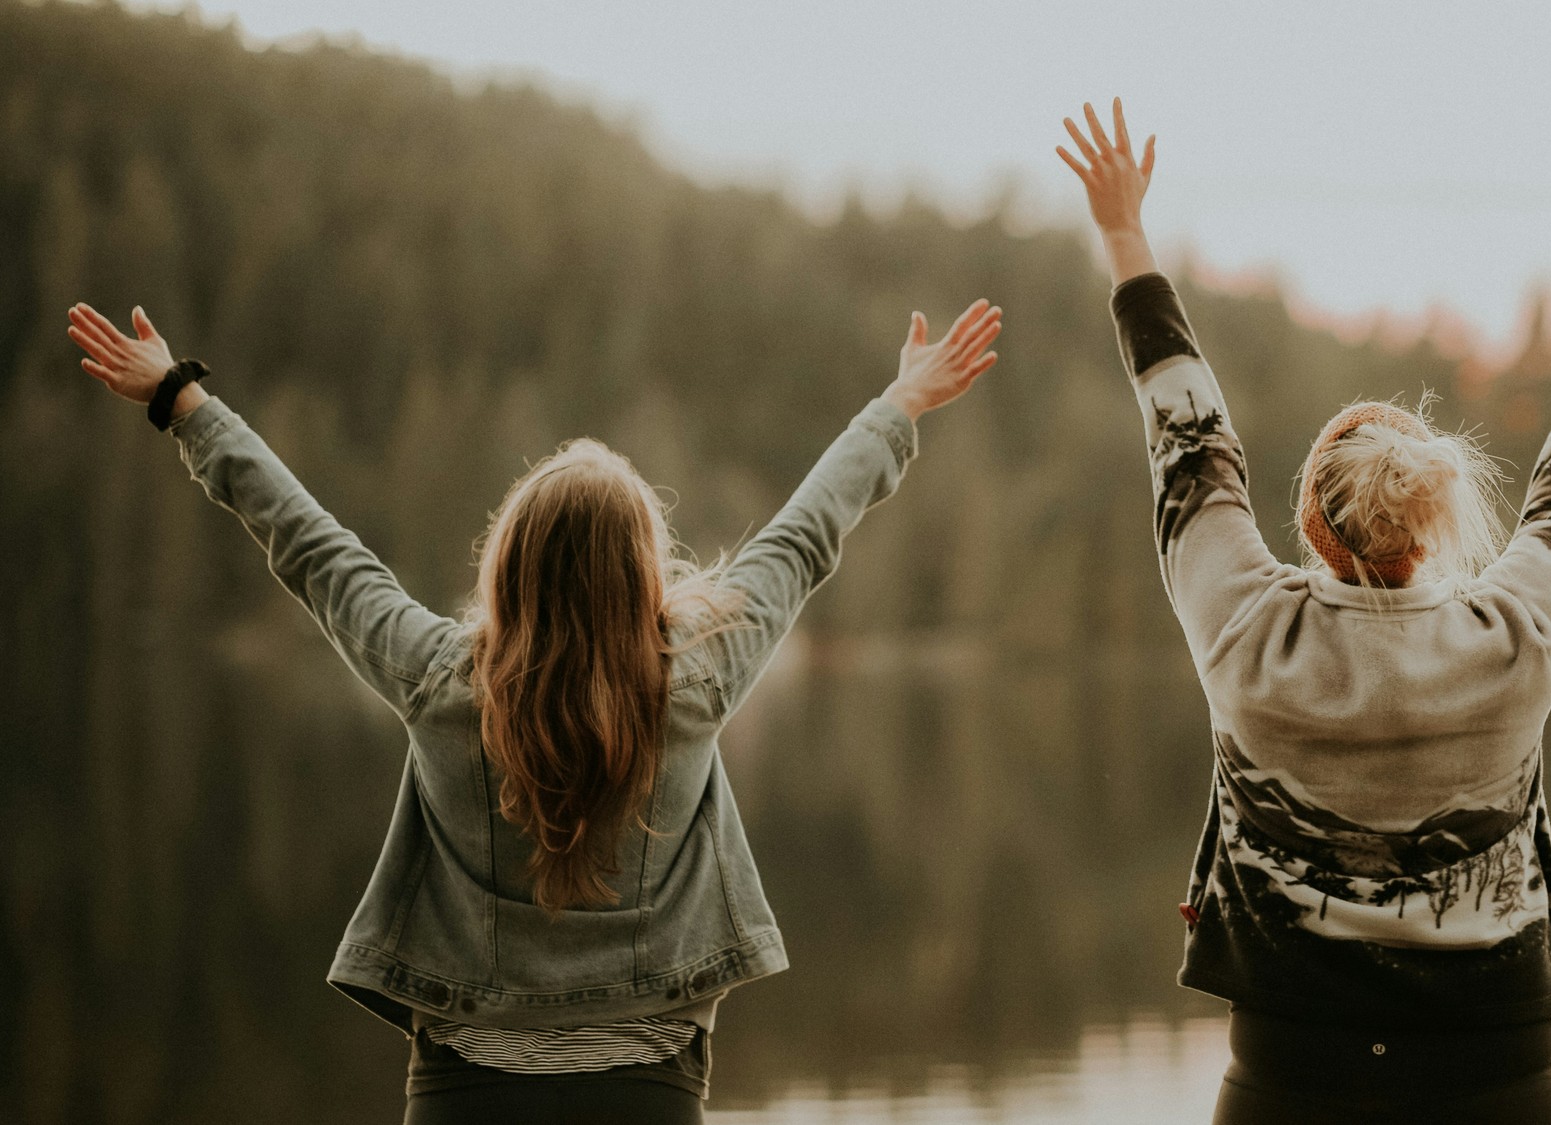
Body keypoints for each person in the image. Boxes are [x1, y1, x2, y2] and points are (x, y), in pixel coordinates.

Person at [63, 296, 1003, 1124]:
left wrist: (183, 401)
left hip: (465, 1092)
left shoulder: (439, 680)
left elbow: (314, 548)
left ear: (507, 565)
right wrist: (901, 403)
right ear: (642, 573)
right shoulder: (694, 682)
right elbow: (802, 536)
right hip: (648, 1094)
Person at [1058, 99, 1551, 1123]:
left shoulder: (1246, 631)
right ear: (1431, 525)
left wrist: (1124, 234)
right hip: (1495, 1079)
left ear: (1312, 524)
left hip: (1287, 1079)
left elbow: (1187, 439)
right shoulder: (1513, 638)